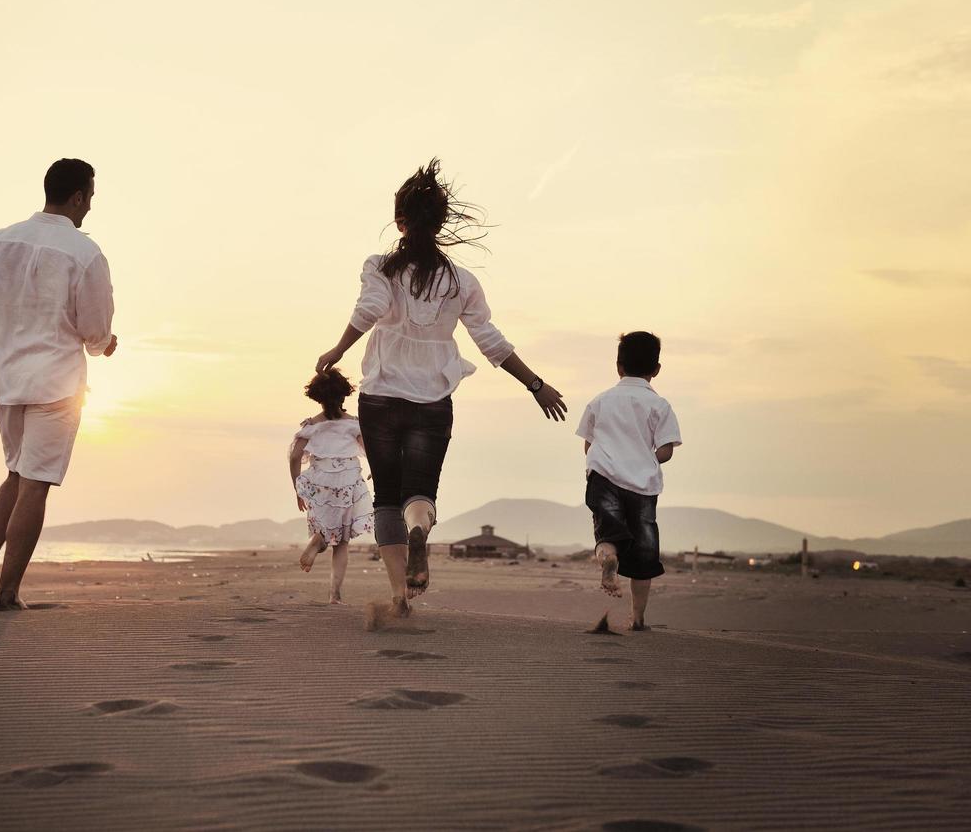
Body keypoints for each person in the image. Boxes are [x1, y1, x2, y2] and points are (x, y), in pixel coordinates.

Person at [315, 159, 568, 622]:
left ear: (400, 222)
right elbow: (490, 341)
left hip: (381, 399)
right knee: (420, 493)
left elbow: (371, 307)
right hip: (432, 402)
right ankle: (419, 534)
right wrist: (535, 384)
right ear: (442, 223)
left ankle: (399, 596)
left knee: (385, 497)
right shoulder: (461, 282)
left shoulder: (380, 268)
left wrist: (338, 348)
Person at [0, 158, 117, 610]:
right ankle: (7, 592)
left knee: (14, 472)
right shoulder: (85, 253)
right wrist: (105, 344)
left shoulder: (0, 239)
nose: (89, 208)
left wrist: (5, 320)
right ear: (80, 197)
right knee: (36, 482)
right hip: (56, 382)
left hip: (5, 374)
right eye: (90, 198)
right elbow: (93, 329)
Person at [574, 331, 682, 630]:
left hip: (604, 478)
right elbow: (666, 451)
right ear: (656, 370)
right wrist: (645, 458)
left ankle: (608, 559)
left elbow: (588, 444)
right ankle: (637, 619)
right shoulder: (660, 406)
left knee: (607, 535)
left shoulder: (600, 401)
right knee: (644, 555)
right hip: (642, 486)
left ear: (618, 366)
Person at [289, 368, 374, 604]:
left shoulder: (311, 425)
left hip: (320, 483)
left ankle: (318, 539)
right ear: (344, 395)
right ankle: (334, 594)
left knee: (327, 527)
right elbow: (370, 450)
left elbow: (295, 457)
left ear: (318, 397)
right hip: (347, 480)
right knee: (342, 541)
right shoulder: (354, 424)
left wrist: (297, 488)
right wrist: (376, 473)